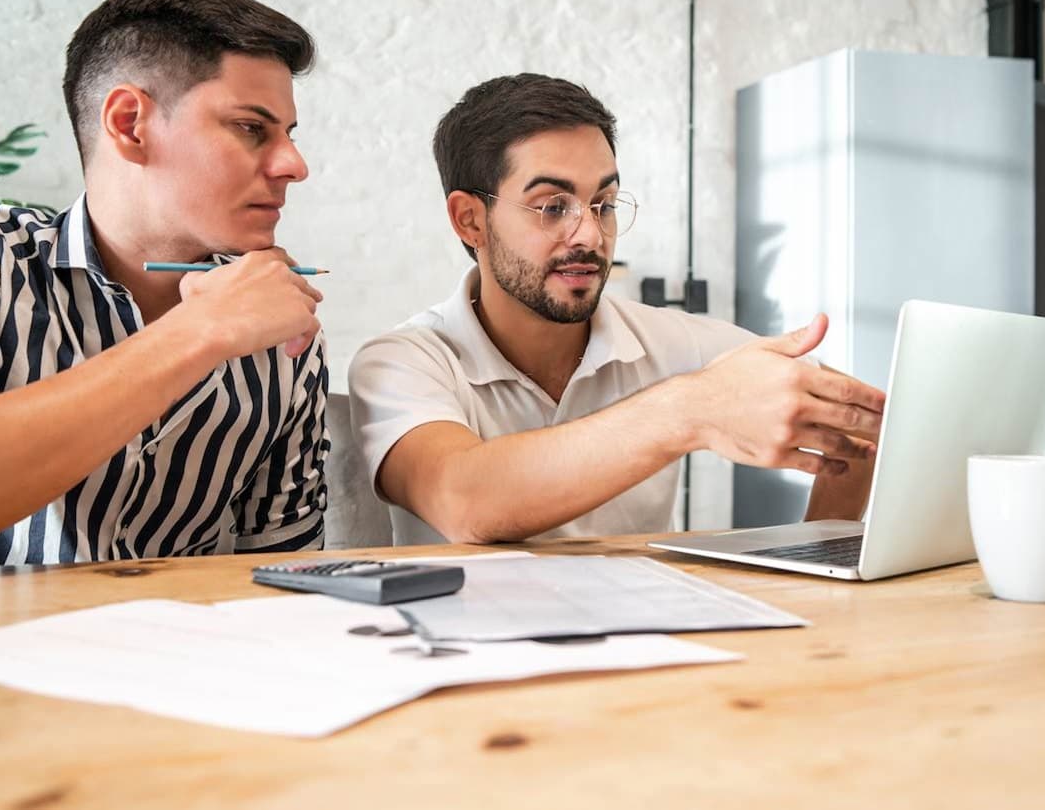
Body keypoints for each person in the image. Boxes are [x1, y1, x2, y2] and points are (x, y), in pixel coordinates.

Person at [348, 73, 886, 545]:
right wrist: (689, 411)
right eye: (552, 207)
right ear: (470, 220)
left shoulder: (675, 341)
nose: (589, 234)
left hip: (656, 641)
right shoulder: (402, 362)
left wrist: (812, 555)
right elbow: (464, 500)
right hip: (460, 651)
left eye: (603, 204)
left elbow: (860, 422)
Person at [0, 0, 328, 570]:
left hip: (193, 655)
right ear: (130, 124)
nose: (294, 165)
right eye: (250, 128)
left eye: (289, 135)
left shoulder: (282, 327)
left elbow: (293, 573)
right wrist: (198, 332)